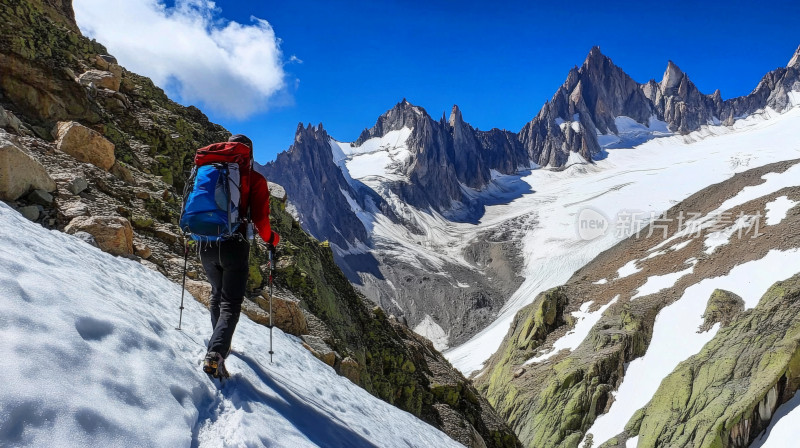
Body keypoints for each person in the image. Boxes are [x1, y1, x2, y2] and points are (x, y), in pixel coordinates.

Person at [201, 134, 280, 378]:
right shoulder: (254, 179)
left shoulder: (207, 170)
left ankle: (219, 343)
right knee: (231, 304)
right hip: (234, 246)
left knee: (217, 294)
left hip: (204, 242)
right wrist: (272, 240)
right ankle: (216, 354)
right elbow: (260, 221)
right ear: (249, 154)